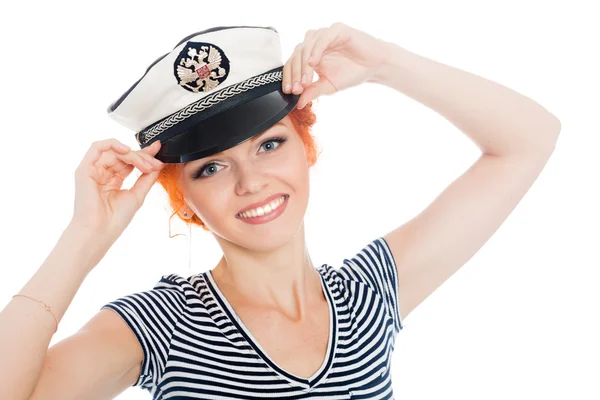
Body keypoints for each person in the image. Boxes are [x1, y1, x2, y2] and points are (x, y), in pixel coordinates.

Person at [0, 22, 560, 400]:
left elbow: (530, 139)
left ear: (306, 148)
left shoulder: (368, 296)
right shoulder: (161, 326)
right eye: (211, 168)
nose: (251, 181)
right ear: (183, 200)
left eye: (270, 144)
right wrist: (84, 237)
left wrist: (388, 65)